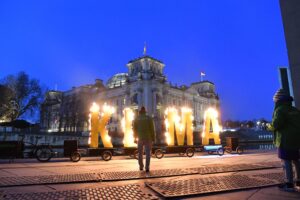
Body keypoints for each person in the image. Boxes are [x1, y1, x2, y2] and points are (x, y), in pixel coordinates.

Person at [270, 89, 300, 191]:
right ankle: (298, 181)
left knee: (286, 161)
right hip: (296, 139)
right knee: (296, 160)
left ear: (278, 100)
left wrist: (267, 126)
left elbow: (276, 125)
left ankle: (289, 184)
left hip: (285, 140)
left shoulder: (280, 110)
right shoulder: (295, 110)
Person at [133, 106, 155, 172]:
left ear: (140, 112)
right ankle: (147, 167)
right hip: (148, 138)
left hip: (140, 138)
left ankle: (141, 167)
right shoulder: (149, 118)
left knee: (140, 153)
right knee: (148, 153)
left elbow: (134, 129)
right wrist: (153, 138)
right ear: (145, 111)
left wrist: (135, 137)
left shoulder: (137, 118)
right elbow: (152, 129)